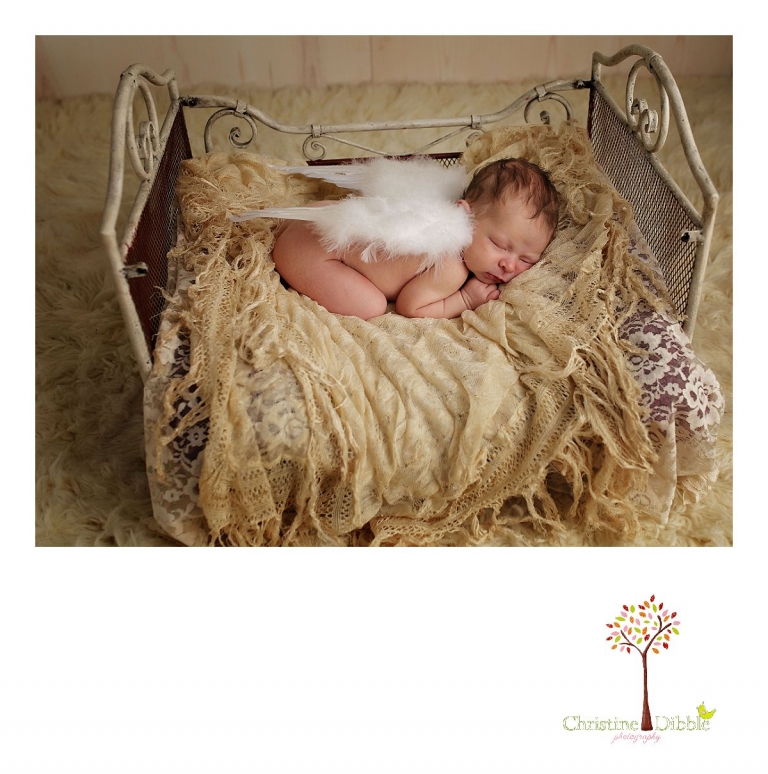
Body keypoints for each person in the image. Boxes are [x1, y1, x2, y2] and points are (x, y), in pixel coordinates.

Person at [271, 158, 560, 320]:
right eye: (499, 245)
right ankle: (289, 265)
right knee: (372, 307)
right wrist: (465, 298)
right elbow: (412, 307)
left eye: (526, 260)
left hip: (314, 220)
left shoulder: (439, 207)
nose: (509, 266)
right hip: (314, 253)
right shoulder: (450, 266)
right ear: (465, 216)